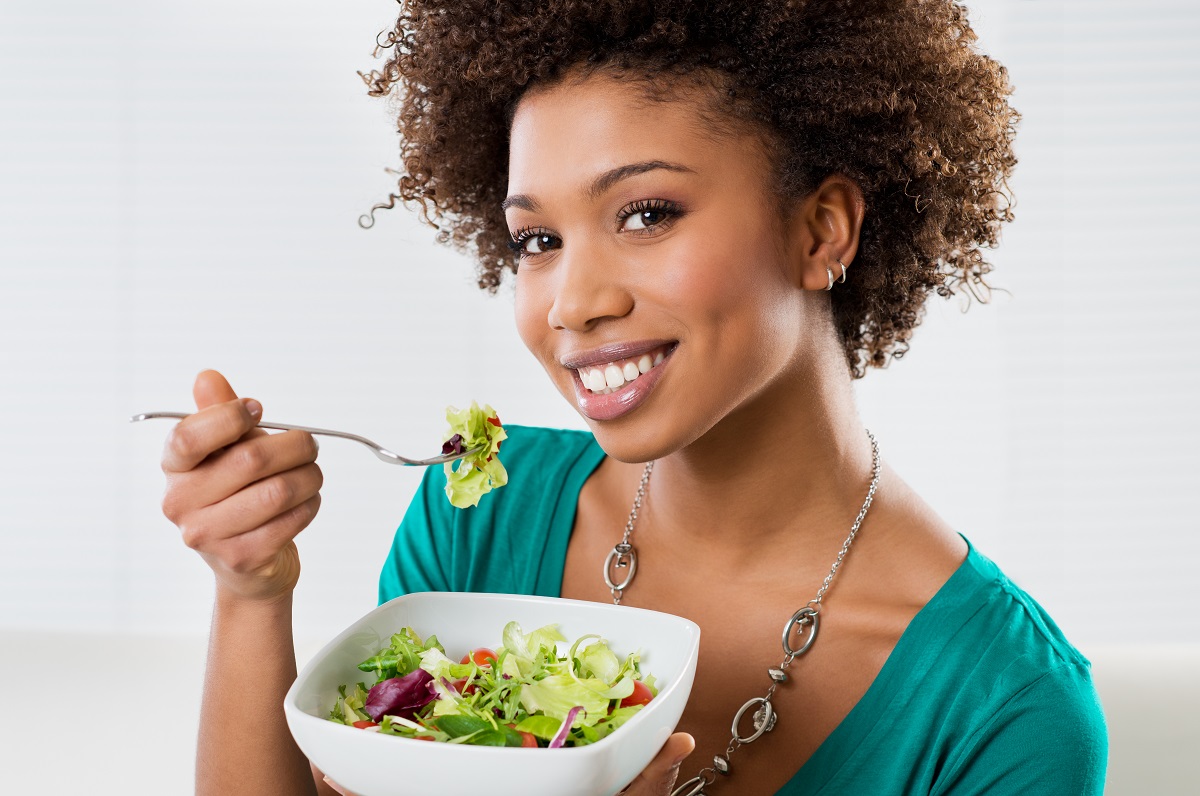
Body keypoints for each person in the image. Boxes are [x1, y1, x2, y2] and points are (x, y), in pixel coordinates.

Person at [159, 2, 1108, 794]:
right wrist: (251, 592)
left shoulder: (1007, 716)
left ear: (821, 230)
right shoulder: (479, 516)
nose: (573, 303)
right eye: (537, 240)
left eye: (646, 214)